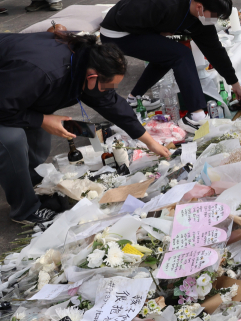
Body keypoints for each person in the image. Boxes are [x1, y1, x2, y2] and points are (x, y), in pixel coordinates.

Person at [0, 32, 170, 225]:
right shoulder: (43, 71)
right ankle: (25, 210)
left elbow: (111, 102)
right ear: (92, 77)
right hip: (5, 95)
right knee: (11, 139)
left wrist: (150, 142)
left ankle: (28, 180)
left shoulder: (85, 59)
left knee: (38, 130)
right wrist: (42, 119)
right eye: (108, 86)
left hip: (10, 90)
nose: (108, 91)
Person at [100, 0, 241, 133]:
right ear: (199, 7)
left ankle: (133, 99)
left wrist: (234, 83)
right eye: (215, 15)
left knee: (167, 54)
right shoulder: (161, 1)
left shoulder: (202, 21)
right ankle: (195, 116)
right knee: (180, 54)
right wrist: (155, 33)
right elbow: (123, 16)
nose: (215, 20)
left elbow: (215, 51)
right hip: (117, 32)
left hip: (139, 31)